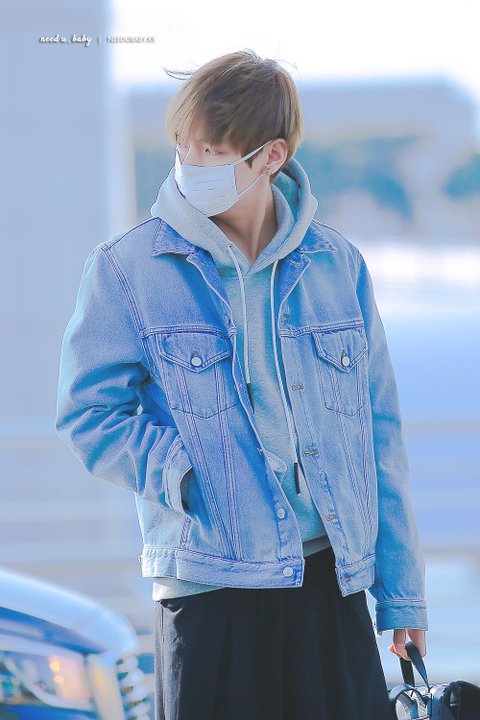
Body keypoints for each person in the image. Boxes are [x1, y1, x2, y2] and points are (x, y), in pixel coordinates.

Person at [55, 48, 428, 720]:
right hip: (208, 586)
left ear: (270, 157)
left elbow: (380, 435)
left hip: (330, 583)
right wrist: (184, 473)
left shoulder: (337, 266)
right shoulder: (127, 269)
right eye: (184, 145)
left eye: (212, 150)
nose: (190, 163)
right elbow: (89, 414)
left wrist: (402, 596)